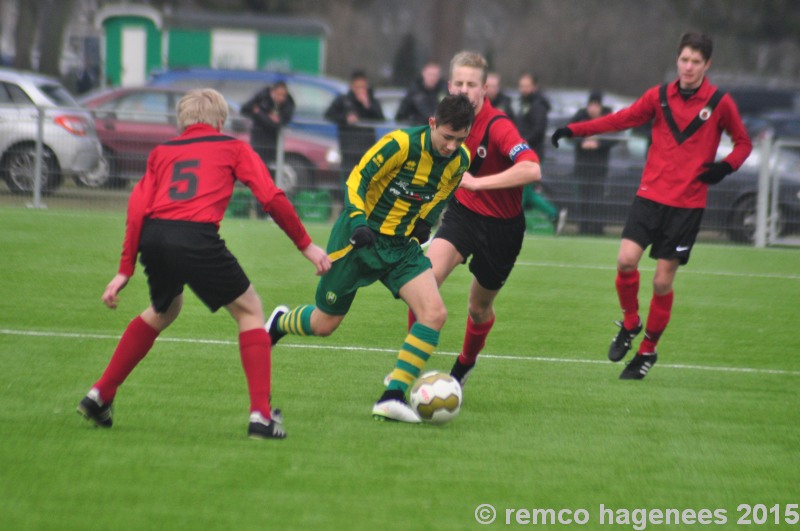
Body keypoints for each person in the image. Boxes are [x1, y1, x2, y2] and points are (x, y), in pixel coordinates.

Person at [76, 89, 332, 439]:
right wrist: (306, 245)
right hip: (195, 236)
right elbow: (271, 196)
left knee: (164, 309)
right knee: (250, 311)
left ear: (181, 123)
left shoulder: (161, 153)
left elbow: (137, 208)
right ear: (221, 121)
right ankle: (260, 416)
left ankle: (100, 394)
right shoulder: (233, 147)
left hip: (154, 236)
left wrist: (125, 269)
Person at [551, 31, 752, 379]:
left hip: (687, 205)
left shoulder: (720, 103)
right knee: (625, 260)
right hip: (649, 196)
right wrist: (574, 130)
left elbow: (743, 143)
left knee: (661, 282)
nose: (688, 67)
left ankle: (647, 350)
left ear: (707, 64)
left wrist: (725, 167)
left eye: (695, 62)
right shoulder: (659, 96)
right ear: (677, 60)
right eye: (684, 60)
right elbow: (619, 119)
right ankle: (630, 323)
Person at [267, 94, 474, 423]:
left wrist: (425, 222)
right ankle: (279, 322)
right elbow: (356, 179)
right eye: (447, 137)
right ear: (433, 123)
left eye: (460, 139)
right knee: (324, 324)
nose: (451, 146)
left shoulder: (460, 160)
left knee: (434, 314)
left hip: (400, 247)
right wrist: (359, 222)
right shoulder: (401, 144)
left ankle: (391, 396)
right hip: (359, 239)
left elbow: (443, 192)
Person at [414, 51, 541, 386]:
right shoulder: (444, 121)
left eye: (472, 84)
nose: (464, 90)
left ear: (486, 89)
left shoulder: (499, 127)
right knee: (421, 282)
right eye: (458, 83)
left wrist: (478, 183)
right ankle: (409, 368)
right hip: (463, 216)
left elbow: (532, 167)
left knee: (478, 308)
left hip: (502, 229)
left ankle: (465, 364)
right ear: (448, 85)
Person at [516, 71, 566, 234]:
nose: (524, 89)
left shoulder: (537, 106)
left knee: (523, 192)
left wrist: (522, 142)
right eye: (522, 86)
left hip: (532, 155)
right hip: (524, 153)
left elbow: (538, 130)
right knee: (526, 193)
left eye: (527, 86)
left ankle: (512, 222)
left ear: (535, 87)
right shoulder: (524, 104)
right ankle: (554, 214)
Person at [568, 90, 615, 235]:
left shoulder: (608, 118)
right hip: (582, 167)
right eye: (591, 105)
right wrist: (581, 142)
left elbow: (615, 136)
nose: (593, 108)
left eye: (596, 105)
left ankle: (597, 229)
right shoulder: (580, 117)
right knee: (583, 199)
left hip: (600, 169)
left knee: (597, 200)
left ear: (601, 106)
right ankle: (582, 228)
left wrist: (598, 144)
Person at [324, 70, 385, 177]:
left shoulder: (372, 101)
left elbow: (380, 118)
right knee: (350, 178)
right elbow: (329, 114)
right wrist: (345, 119)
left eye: (363, 87)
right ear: (352, 86)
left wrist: (368, 106)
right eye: (358, 87)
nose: (361, 90)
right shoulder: (343, 100)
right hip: (349, 148)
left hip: (367, 148)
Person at [241, 81, 295, 165]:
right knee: (256, 163)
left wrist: (259, 113)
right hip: (258, 139)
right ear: (272, 92)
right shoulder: (262, 96)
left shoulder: (289, 103)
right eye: (278, 94)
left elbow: (277, 124)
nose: (281, 98)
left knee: (270, 167)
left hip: (273, 142)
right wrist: (266, 116)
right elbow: (244, 109)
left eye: (283, 95)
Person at [395, 61, 448, 125]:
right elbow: (401, 115)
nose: (432, 78)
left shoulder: (444, 91)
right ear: (423, 74)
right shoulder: (414, 91)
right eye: (430, 74)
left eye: (435, 75)